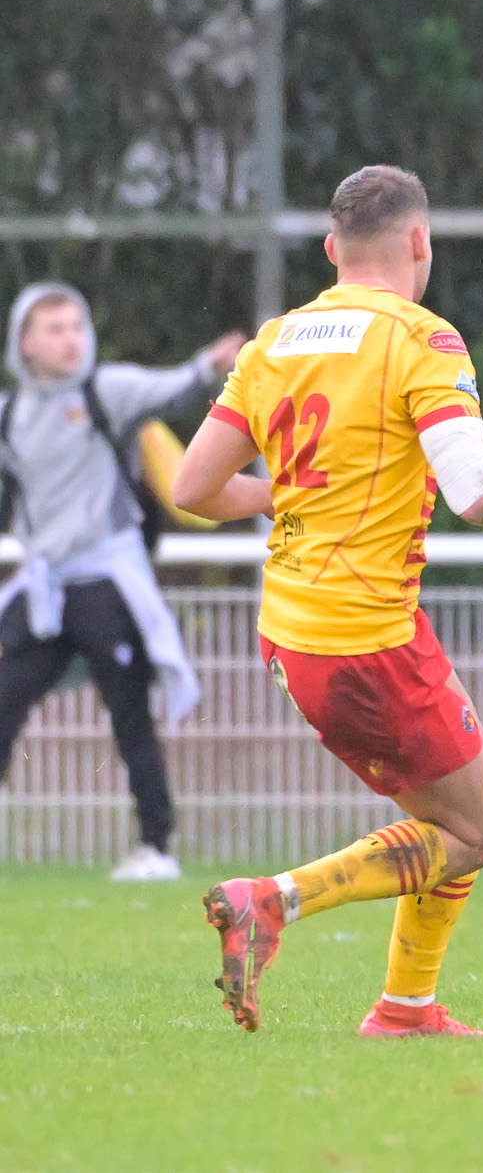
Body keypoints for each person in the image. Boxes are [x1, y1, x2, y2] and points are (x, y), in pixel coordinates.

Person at [173, 164, 483, 1036]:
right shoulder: (421, 338)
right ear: (419, 241)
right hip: (365, 635)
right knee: (480, 831)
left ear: (332, 250)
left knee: (461, 810)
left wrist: (296, 493)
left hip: (292, 631)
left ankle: (407, 1006)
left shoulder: (273, 343)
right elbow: (478, 493)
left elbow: (193, 488)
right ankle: (273, 900)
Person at [0, 281, 244, 882]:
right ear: (25, 343)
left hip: (106, 580)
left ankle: (155, 846)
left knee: (129, 711)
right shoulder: (10, 414)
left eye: (76, 326)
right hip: (44, 585)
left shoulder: (105, 389)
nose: (70, 339)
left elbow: (175, 387)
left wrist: (211, 365)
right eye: (54, 329)